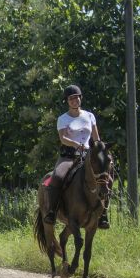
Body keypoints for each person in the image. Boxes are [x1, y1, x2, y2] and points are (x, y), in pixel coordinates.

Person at [44, 85, 110, 229]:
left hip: (88, 156)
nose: (75, 100)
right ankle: (51, 212)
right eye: (71, 98)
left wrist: (101, 150)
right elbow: (62, 138)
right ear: (67, 101)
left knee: (107, 178)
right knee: (57, 177)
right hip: (69, 156)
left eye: (77, 97)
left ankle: (103, 214)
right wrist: (76, 145)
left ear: (81, 98)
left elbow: (96, 138)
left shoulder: (89, 116)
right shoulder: (62, 119)